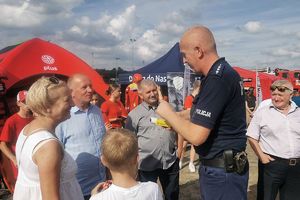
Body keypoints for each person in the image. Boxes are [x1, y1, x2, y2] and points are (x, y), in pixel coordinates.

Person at [156, 25, 249, 200]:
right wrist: (176, 119)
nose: (184, 61)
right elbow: (199, 112)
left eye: (184, 54)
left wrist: (167, 112)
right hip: (224, 171)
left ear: (198, 51)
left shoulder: (217, 79)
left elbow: (197, 136)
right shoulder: (221, 74)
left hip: (222, 174)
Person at [13, 76, 84, 200]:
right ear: (47, 107)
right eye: (67, 100)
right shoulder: (48, 146)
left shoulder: (28, 130)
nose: (73, 104)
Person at [125, 79, 179, 200]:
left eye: (154, 90)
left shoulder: (168, 108)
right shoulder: (134, 115)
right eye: (148, 92)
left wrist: (179, 149)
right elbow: (130, 141)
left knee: (172, 195)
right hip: (147, 165)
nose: (152, 94)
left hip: (169, 161)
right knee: (148, 197)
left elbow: (177, 129)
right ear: (140, 95)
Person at [247, 80, 300, 200]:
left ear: (290, 95)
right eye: (273, 94)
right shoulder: (263, 113)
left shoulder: (298, 113)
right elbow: (251, 136)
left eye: (280, 95)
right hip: (272, 164)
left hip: (296, 167)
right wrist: (261, 156)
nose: (276, 98)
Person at [56, 74, 106, 200]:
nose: (90, 90)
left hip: (102, 185)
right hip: (78, 190)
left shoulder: (97, 111)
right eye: (84, 87)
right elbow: (56, 155)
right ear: (71, 92)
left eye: (90, 86)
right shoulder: (63, 118)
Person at [90, 128, 163, 200]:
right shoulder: (153, 189)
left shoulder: (98, 198)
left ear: (103, 161)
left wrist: (94, 195)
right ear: (136, 159)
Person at [0, 90, 33, 192]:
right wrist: (13, 158)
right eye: (25, 101)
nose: (28, 104)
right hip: (20, 163)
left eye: (30, 101)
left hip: (33, 160)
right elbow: (2, 144)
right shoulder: (12, 121)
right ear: (18, 103)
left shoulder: (35, 118)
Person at [178, 80, 200, 172]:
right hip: (187, 125)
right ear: (198, 88)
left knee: (194, 145)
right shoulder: (189, 98)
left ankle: (191, 163)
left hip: (195, 125)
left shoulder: (199, 99)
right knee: (183, 145)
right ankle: (180, 161)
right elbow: (189, 112)